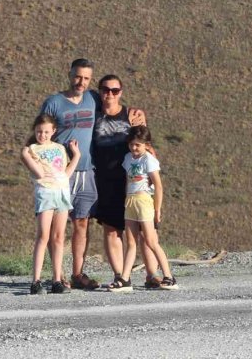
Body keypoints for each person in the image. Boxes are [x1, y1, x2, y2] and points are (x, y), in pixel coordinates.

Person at [92, 75, 162, 289]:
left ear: (121, 92)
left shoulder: (131, 116)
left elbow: (145, 145)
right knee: (112, 230)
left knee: (144, 230)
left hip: (134, 183)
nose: (109, 94)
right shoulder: (93, 117)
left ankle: (152, 275)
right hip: (106, 181)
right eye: (105, 89)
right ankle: (121, 276)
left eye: (114, 90)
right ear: (100, 91)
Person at [39, 58, 100, 290]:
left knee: (82, 223)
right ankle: (58, 274)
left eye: (85, 78)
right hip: (61, 174)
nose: (80, 82)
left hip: (87, 170)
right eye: (77, 76)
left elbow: (114, 108)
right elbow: (42, 136)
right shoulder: (54, 103)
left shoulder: (93, 99)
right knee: (58, 227)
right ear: (69, 75)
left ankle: (78, 274)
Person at [109, 125, 177, 292]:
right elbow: (128, 180)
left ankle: (169, 276)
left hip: (144, 200)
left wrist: (157, 209)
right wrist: (126, 199)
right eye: (132, 144)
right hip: (131, 201)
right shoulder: (128, 158)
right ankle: (124, 279)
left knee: (151, 241)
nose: (134, 148)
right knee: (131, 242)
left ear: (146, 144)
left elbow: (158, 186)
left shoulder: (149, 160)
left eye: (138, 145)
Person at [20, 114, 80, 295]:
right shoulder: (32, 149)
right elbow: (38, 173)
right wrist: (25, 155)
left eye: (46, 132)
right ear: (34, 131)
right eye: (39, 131)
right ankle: (36, 281)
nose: (43, 135)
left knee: (59, 237)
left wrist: (76, 155)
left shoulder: (60, 148)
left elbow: (65, 173)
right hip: (45, 192)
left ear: (53, 131)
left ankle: (56, 280)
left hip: (62, 192)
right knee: (43, 236)